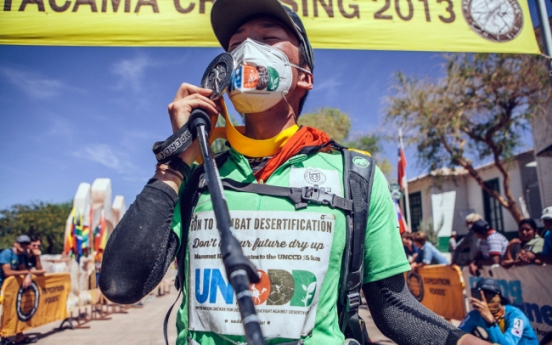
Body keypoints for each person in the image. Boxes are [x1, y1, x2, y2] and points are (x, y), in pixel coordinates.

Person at [100, 1, 489, 344]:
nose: (246, 53)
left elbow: (393, 308)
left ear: (303, 75)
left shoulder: (355, 175)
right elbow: (121, 284)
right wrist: (176, 162)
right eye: (235, 46)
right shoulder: (198, 177)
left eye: (267, 40)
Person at [459, 278, 538, 344]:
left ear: (499, 297)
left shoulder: (516, 316)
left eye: (489, 294)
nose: (485, 299)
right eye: (481, 295)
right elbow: (457, 335)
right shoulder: (475, 315)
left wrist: (491, 321)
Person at [0, 235, 38, 344]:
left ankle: (18, 336)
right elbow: (7, 272)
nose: (24, 246)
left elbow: (24, 269)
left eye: (26, 244)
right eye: (22, 244)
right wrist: (26, 273)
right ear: (15, 243)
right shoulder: (7, 253)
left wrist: (28, 275)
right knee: (2, 313)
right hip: (1, 285)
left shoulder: (21, 255)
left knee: (14, 311)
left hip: (8, 289)